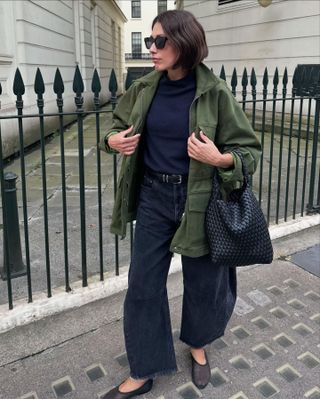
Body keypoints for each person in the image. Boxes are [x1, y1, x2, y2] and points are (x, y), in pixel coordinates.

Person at [99, 9, 261, 399]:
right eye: (149, 41)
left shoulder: (215, 92)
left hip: (200, 199)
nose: (151, 49)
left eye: (160, 41)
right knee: (142, 284)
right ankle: (144, 366)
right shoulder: (143, 88)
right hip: (155, 196)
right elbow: (111, 126)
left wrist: (220, 159)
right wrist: (111, 141)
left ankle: (199, 345)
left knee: (204, 282)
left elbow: (249, 151)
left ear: (184, 43)